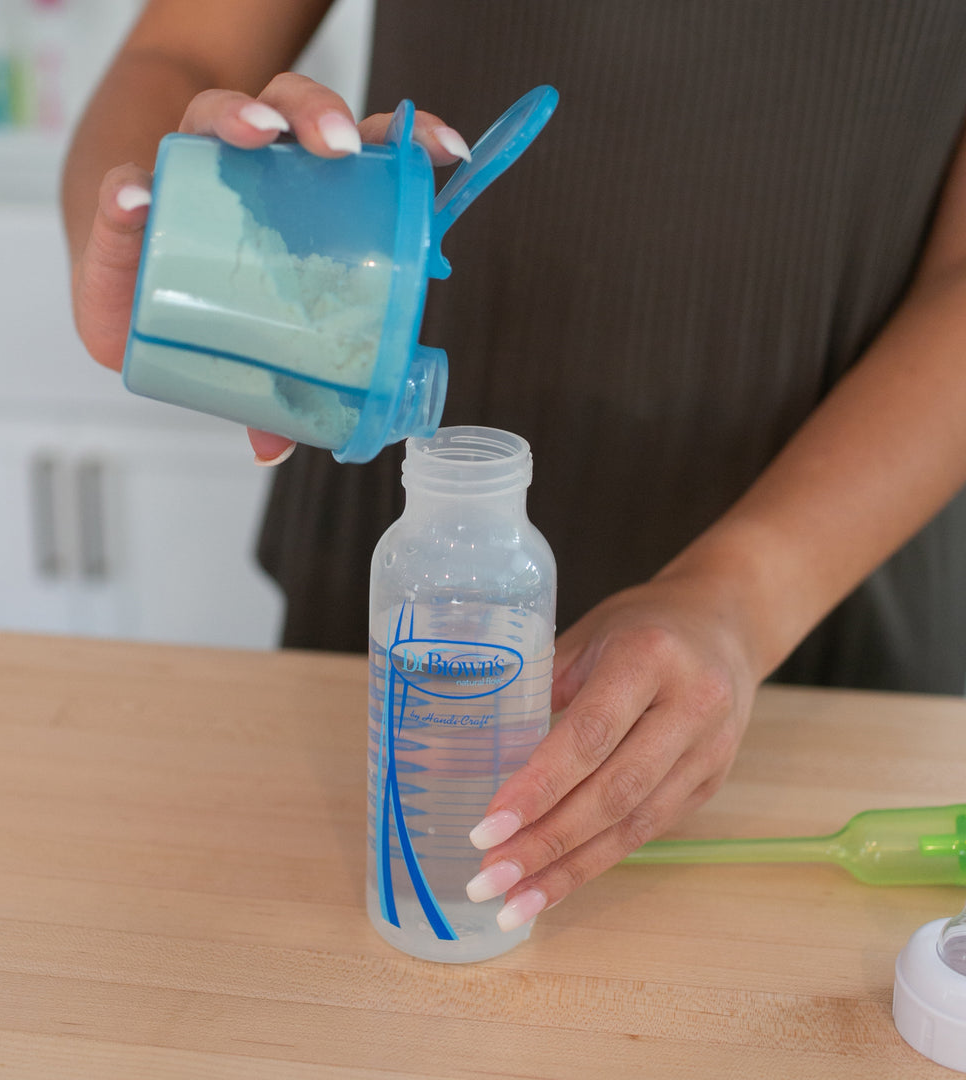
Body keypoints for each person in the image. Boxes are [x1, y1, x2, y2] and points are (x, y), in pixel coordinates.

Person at [62, 0, 966, 934]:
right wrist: (164, 232)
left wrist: (744, 594)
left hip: (819, 593)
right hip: (388, 578)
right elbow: (182, 49)